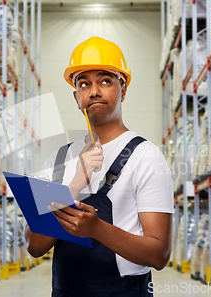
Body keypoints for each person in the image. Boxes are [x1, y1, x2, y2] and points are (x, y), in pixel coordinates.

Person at [25, 36, 174, 297]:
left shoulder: (146, 156)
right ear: (76, 97)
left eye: (105, 81)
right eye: (84, 83)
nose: (94, 91)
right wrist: (74, 184)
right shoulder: (58, 160)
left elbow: (159, 254)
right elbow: (35, 245)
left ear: (123, 89)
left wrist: (96, 229)